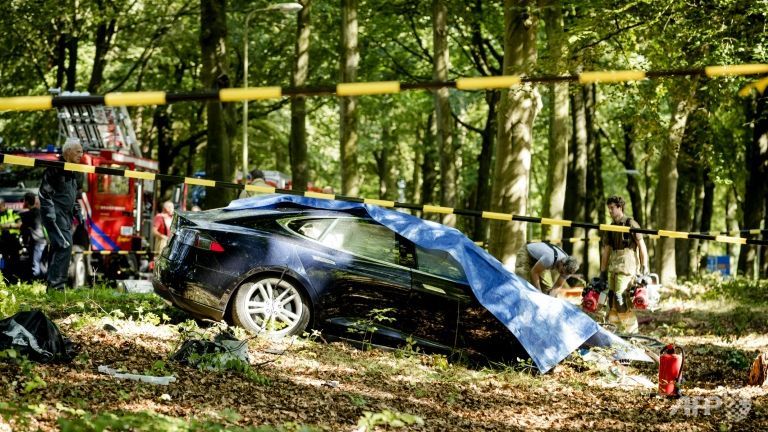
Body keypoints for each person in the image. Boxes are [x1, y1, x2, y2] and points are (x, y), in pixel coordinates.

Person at [39, 138, 84, 291]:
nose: (81, 154)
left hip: (66, 217)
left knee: (59, 247)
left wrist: (78, 211)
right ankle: (57, 288)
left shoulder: (76, 171)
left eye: (82, 151)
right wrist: (50, 215)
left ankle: (51, 288)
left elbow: (74, 196)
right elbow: (44, 193)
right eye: (78, 151)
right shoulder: (55, 168)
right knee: (65, 246)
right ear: (68, 152)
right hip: (55, 215)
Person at [599, 195, 649, 333]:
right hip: (613, 266)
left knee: (620, 297)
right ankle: (617, 332)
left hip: (627, 267)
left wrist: (644, 269)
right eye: (608, 208)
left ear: (620, 207)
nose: (610, 211)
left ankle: (632, 332)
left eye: (612, 208)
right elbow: (607, 251)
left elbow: (642, 246)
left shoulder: (631, 223)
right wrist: (602, 272)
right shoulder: (610, 227)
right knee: (612, 300)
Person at [515, 241, 579, 294]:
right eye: (561, 271)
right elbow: (534, 272)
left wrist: (551, 297)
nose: (562, 274)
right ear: (562, 263)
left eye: (564, 274)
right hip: (527, 254)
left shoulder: (568, 270)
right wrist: (539, 292)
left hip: (542, 261)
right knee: (523, 282)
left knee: (547, 289)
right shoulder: (550, 258)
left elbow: (558, 285)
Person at [20, 192, 47, 279]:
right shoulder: (39, 212)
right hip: (44, 241)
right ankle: (45, 284)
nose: (23, 203)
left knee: (36, 266)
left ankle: (38, 285)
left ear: (27, 202)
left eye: (24, 201)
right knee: (42, 264)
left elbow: (22, 227)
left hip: (37, 242)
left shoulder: (27, 215)